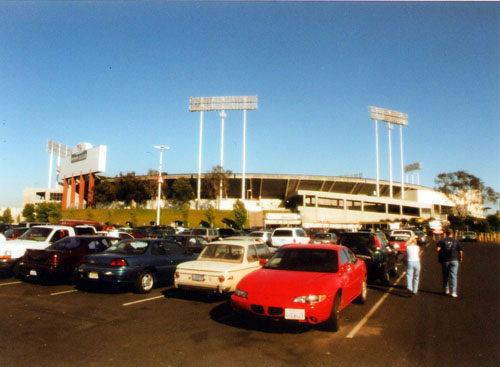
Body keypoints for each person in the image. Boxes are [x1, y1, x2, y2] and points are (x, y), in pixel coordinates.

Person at [436, 228, 463, 298]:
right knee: (454, 276)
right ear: (452, 233)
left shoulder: (442, 241)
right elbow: (460, 250)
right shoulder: (456, 241)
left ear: (446, 234)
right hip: (454, 259)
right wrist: (461, 257)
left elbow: (438, 249)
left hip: (445, 260)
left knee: (445, 275)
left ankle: (446, 290)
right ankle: (453, 292)